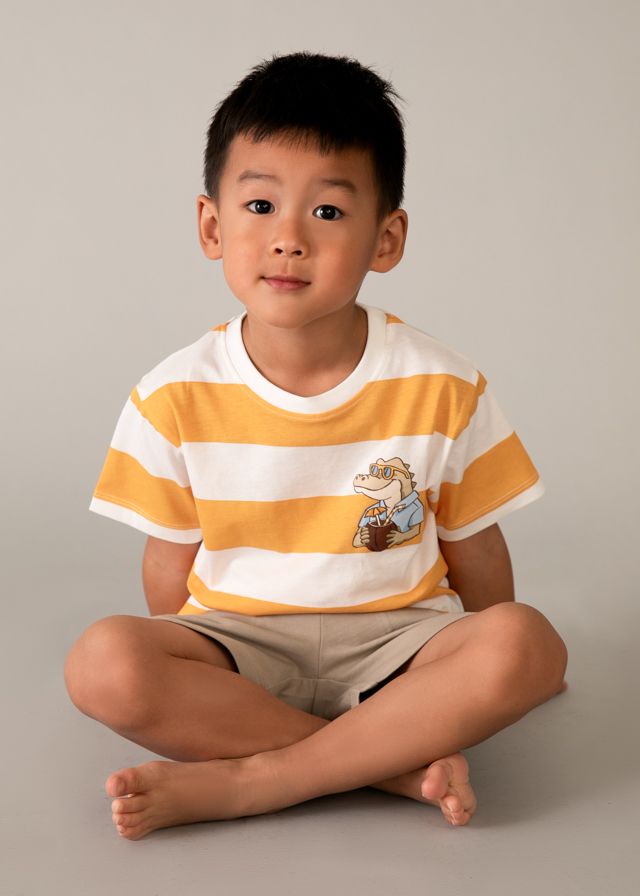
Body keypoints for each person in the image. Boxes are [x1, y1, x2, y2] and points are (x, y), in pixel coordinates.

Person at [64, 51, 568, 841]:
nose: (288, 239)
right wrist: (186, 665)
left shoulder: (444, 384)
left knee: (528, 643)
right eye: (260, 205)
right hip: (241, 641)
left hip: (401, 639)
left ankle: (257, 778)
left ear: (386, 239)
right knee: (102, 662)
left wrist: (485, 673)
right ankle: (391, 765)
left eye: (328, 212)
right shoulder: (173, 394)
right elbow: (169, 567)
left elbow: (476, 550)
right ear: (212, 225)